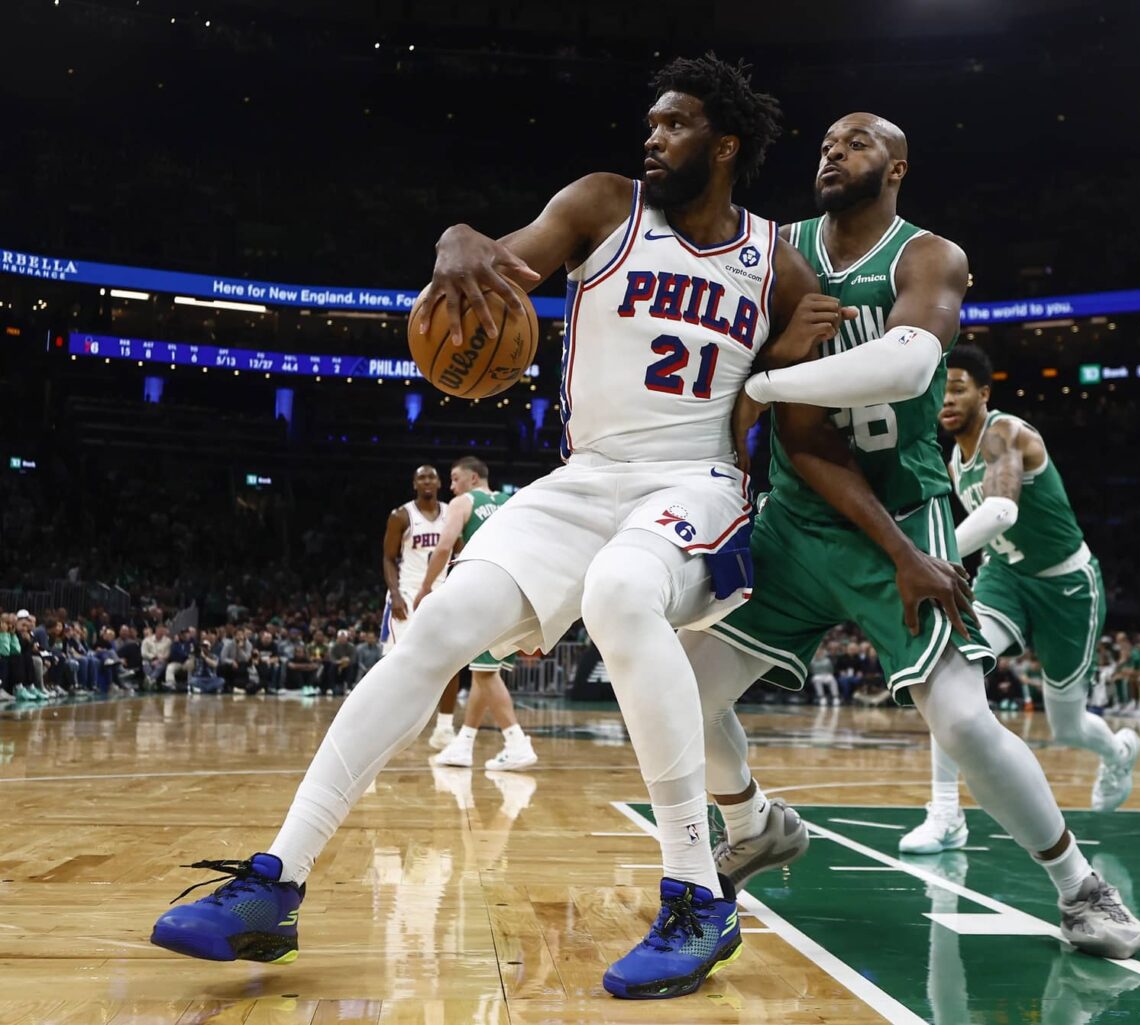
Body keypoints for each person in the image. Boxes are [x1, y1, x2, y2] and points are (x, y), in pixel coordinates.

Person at [152, 55, 840, 999]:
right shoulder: (606, 205)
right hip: (584, 477)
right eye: (650, 122)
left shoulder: (780, 261)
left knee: (621, 591)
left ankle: (696, 893)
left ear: (724, 145)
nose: (652, 137)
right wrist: (453, 238)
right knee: (432, 627)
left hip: (696, 481)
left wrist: (783, 366)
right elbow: (496, 256)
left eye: (673, 125)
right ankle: (277, 881)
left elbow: (798, 416)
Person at [682, 113, 1140, 959]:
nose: (833, 152)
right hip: (796, 515)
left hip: (905, 514)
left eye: (856, 142)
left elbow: (908, 365)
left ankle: (1080, 885)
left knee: (964, 722)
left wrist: (773, 379)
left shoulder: (929, 255)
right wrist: (769, 382)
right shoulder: (779, 250)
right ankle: (752, 822)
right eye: (826, 143)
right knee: (673, 692)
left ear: (897, 166)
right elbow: (797, 430)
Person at [899, 344, 1140, 853]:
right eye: (939, 388)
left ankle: (1118, 751)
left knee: (1067, 724)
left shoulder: (1006, 434)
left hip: (1067, 586)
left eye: (959, 387)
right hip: (1006, 577)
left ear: (984, 394)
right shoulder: (951, 457)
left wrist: (928, 561)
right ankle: (946, 814)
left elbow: (1002, 513)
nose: (946, 398)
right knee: (949, 665)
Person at [416, 456, 537, 771]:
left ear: (472, 479)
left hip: (487, 591)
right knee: (486, 671)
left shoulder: (463, 502)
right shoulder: (511, 502)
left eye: (454, 479)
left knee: (483, 673)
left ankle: (516, 742)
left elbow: (443, 547)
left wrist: (425, 587)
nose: (451, 486)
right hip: (518, 592)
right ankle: (464, 743)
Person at [380, 465, 453, 745]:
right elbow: (388, 557)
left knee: (450, 659)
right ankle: (387, 723)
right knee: (397, 662)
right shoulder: (401, 515)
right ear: (414, 484)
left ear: (439, 483)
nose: (426, 481)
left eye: (431, 477)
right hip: (408, 594)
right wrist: (395, 593)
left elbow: (460, 552)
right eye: (421, 477)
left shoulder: (451, 514)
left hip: (441, 594)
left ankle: (445, 729)